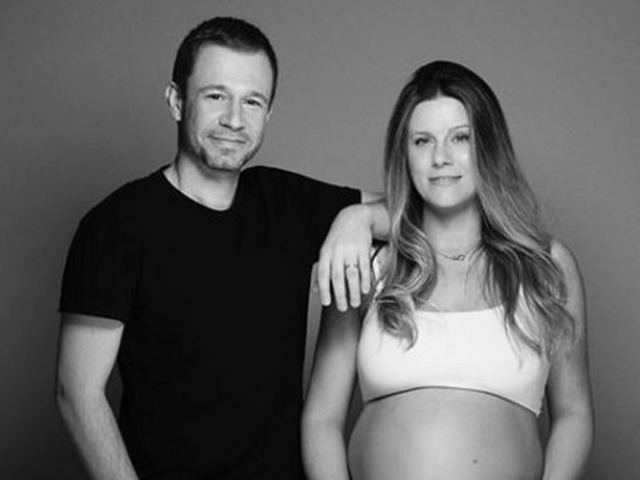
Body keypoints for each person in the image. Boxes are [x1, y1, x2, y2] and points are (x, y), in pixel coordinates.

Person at [55, 17, 387, 480]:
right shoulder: (116, 226)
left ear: (268, 113)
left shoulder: (285, 202)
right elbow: (78, 394)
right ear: (177, 100)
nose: (235, 119)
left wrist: (359, 217)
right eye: (216, 96)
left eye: (252, 101)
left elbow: (415, 212)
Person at [302, 60, 594, 480]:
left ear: (488, 147)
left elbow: (574, 412)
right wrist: (355, 216)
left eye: (460, 138)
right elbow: (321, 419)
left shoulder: (546, 267)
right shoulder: (366, 264)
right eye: (422, 141)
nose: (440, 157)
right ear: (405, 154)